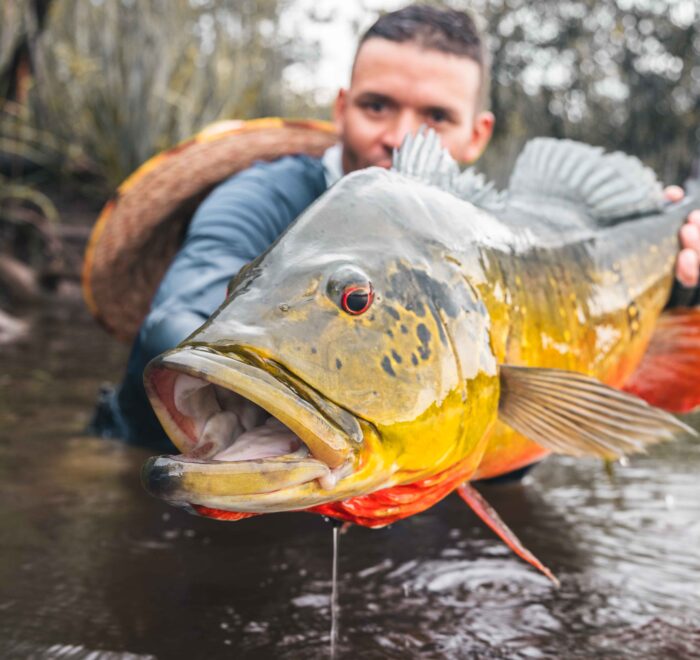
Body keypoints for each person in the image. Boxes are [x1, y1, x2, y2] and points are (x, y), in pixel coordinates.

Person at [90, 4, 700, 450]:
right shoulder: (260, 197)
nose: (400, 137)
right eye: (377, 105)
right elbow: (177, 319)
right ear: (340, 106)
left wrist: (682, 280)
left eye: (436, 116)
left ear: (478, 134)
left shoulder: (491, 236)